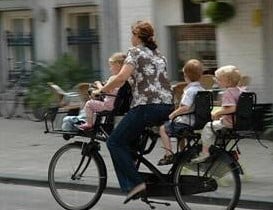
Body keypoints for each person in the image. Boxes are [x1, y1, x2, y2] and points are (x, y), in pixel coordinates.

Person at [92, 20, 174, 204]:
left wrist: (102, 90)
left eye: (132, 35)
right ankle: (135, 181)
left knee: (114, 142)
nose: (131, 38)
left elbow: (121, 77)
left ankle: (136, 184)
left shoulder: (135, 53)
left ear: (137, 36)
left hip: (146, 107)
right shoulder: (159, 55)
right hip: (167, 106)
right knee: (128, 142)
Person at [157, 59, 205, 165]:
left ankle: (168, 154)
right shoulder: (201, 89)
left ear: (185, 76)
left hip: (186, 121)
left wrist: (173, 114)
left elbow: (185, 107)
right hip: (196, 120)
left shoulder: (190, 91)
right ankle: (183, 151)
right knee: (180, 132)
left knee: (162, 129)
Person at [192, 65, 242, 163]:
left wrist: (218, 112)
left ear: (228, 81)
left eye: (219, 80)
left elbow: (233, 108)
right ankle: (228, 152)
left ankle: (205, 153)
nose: (217, 81)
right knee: (216, 127)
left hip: (229, 122)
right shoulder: (239, 91)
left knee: (207, 127)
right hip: (238, 121)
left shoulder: (228, 92)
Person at [79, 52, 127, 130]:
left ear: (118, 65)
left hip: (109, 106)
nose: (110, 69)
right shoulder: (126, 79)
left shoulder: (113, 78)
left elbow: (104, 90)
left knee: (89, 104)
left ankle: (89, 123)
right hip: (120, 106)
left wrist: (98, 83)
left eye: (111, 66)